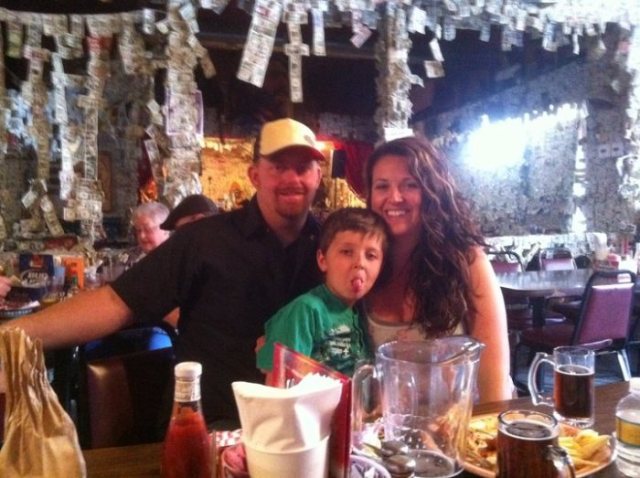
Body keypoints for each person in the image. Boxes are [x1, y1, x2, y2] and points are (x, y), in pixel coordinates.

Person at [1, 118, 324, 429]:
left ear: (318, 176)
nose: (292, 178)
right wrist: (13, 334)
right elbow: (116, 302)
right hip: (211, 427)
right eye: (278, 166)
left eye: (302, 167)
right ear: (255, 175)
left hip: (305, 429)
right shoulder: (205, 240)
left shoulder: (333, 248)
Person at [363, 136, 512, 403]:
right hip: (388, 426)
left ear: (433, 192)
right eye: (382, 186)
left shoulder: (468, 262)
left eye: (410, 185)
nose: (394, 197)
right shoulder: (361, 262)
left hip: (466, 422)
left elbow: (495, 389)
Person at [257, 207, 391, 380]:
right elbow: (279, 383)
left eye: (371, 256)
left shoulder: (361, 314)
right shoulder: (305, 311)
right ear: (322, 260)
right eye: (347, 252)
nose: (360, 263)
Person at [124, 201, 171, 267]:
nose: (142, 236)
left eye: (148, 229)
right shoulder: (131, 257)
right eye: (138, 230)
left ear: (165, 229)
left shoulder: (178, 257)